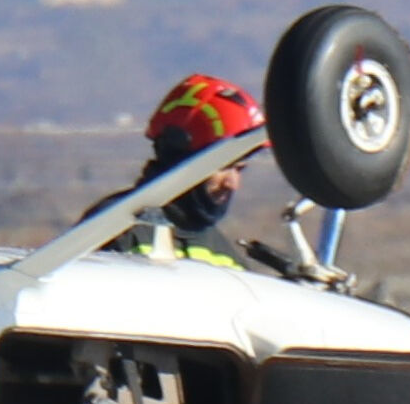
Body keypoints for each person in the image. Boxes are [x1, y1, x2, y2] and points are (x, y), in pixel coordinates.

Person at [103, 74, 320, 278]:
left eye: (239, 169)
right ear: (179, 154)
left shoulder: (221, 254)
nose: (233, 184)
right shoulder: (111, 231)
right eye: (224, 167)